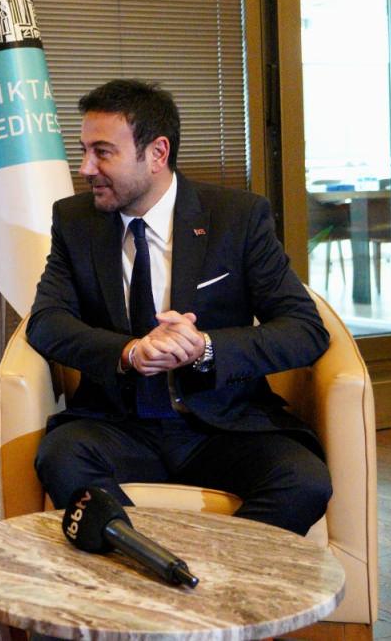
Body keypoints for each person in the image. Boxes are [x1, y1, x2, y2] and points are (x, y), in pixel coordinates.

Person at [29, 79, 332, 535]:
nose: (85, 167)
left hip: (221, 426)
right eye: (84, 150)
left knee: (304, 481)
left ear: (157, 153)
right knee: (60, 456)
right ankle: (146, 559)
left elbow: (305, 329)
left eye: (102, 152)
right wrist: (129, 352)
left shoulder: (237, 217)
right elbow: (46, 322)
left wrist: (205, 348)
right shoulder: (75, 221)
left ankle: (203, 569)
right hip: (119, 425)